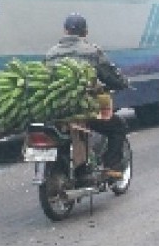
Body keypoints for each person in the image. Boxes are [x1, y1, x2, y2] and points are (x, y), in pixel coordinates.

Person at [45, 13, 130, 179]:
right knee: (118, 126)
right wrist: (122, 83)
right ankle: (112, 167)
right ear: (85, 33)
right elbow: (111, 76)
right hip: (83, 110)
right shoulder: (92, 51)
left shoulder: (50, 54)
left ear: (65, 31)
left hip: (56, 112)